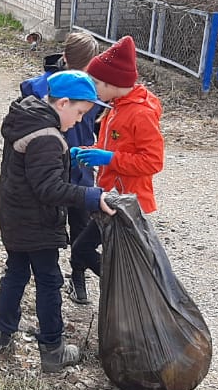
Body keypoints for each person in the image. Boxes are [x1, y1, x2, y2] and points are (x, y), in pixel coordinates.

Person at [0, 70, 114, 372]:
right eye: (80, 113)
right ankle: (53, 349)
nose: (80, 121)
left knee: (15, 273)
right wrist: (91, 196)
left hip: (14, 215)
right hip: (36, 221)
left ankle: (2, 336)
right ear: (63, 103)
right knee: (49, 281)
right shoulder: (46, 137)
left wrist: (67, 158)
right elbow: (49, 189)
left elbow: (34, 173)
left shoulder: (28, 118)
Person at [68, 35, 165, 304]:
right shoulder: (116, 107)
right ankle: (133, 293)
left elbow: (153, 162)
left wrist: (109, 159)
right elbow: (109, 146)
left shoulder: (140, 113)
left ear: (111, 84)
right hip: (110, 196)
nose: (93, 87)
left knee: (83, 250)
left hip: (128, 202)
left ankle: (135, 293)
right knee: (93, 252)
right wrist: (88, 153)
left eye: (96, 83)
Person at [19, 33, 101, 245]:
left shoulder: (40, 87)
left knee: (61, 219)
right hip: (65, 164)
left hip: (65, 164)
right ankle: (74, 262)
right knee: (73, 220)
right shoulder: (43, 88)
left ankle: (69, 260)